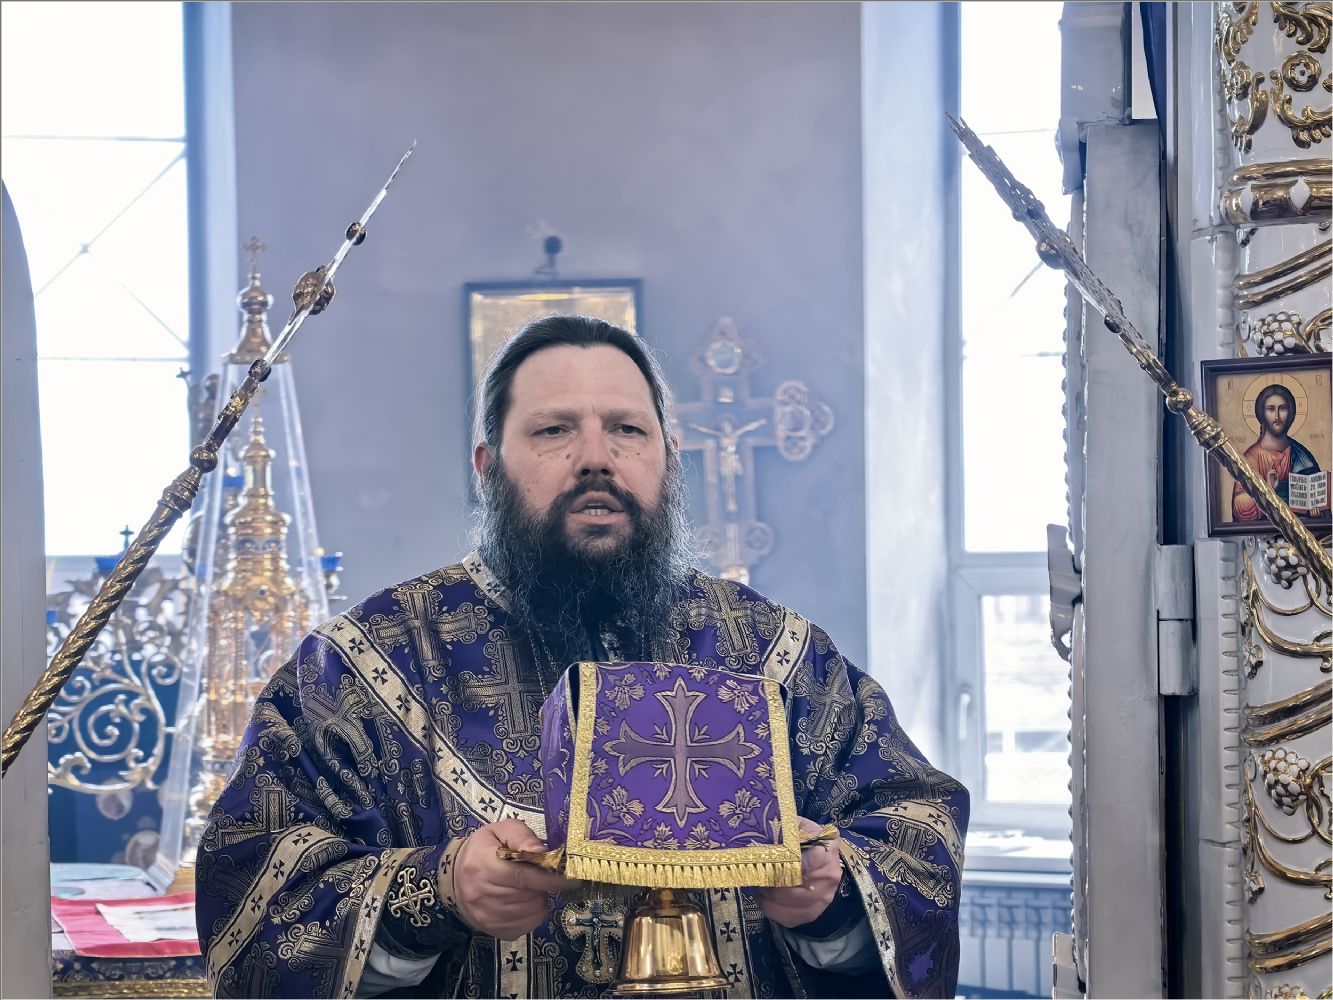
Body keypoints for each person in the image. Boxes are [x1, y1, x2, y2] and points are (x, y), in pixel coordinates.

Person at [196, 315, 969, 999]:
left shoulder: (777, 657)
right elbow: (253, 891)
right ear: (487, 466)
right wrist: (433, 893)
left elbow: (916, 827)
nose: (595, 457)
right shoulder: (361, 666)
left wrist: (834, 891)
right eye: (552, 430)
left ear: (668, 457)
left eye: (627, 429)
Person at [1233, 383, 1324, 520]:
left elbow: (1319, 501)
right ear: (1262, 413)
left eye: (1282, 408)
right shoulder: (1252, 457)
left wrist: (1316, 509)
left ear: (1290, 413)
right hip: (1267, 528)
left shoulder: (1301, 454)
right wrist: (1268, 489)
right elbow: (1239, 507)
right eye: (1270, 409)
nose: (1277, 416)